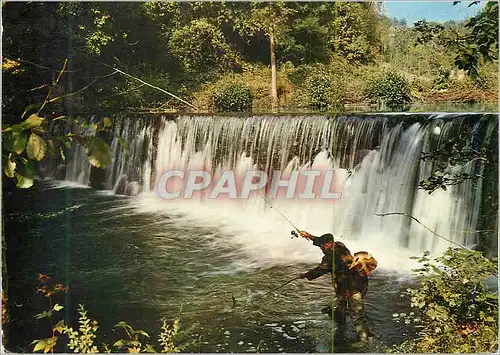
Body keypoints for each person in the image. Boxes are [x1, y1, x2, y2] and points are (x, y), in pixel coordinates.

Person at [297, 231, 377, 344]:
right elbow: (320, 241)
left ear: (329, 244)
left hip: (352, 287)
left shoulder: (330, 256)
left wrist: (305, 275)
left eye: (323, 246)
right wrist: (308, 236)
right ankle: (353, 328)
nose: (321, 248)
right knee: (342, 305)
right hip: (357, 283)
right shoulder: (339, 245)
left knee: (356, 313)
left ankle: (363, 341)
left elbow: (319, 270)